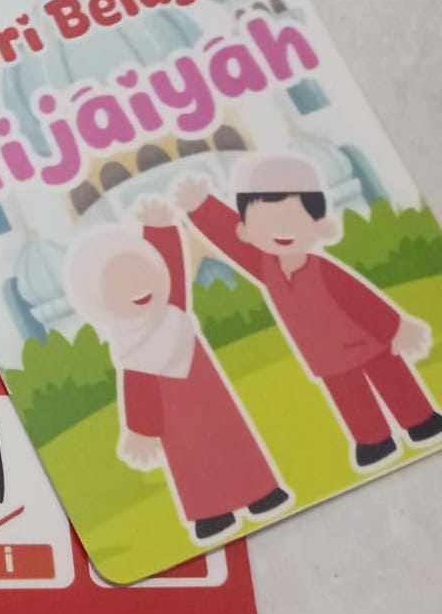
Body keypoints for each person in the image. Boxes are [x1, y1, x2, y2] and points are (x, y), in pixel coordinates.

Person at [175, 153, 441, 470]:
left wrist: (395, 328)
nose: (280, 231)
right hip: (327, 355)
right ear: (247, 230)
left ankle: (421, 421)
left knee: (392, 378)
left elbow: (362, 300)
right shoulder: (268, 266)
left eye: (292, 221)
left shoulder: (321, 268)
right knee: (350, 397)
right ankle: (373, 441)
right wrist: (202, 207)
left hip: (366, 341)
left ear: (320, 226)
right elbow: (234, 244)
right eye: (265, 224)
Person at [66, 196, 289, 544]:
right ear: (100, 300)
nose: (138, 286)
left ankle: (260, 492)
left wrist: (159, 229)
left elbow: (170, 268)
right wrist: (142, 430)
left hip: (211, 398)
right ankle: (210, 512)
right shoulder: (131, 345)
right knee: (189, 459)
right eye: (119, 285)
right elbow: (137, 387)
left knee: (233, 438)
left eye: (141, 272)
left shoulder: (172, 312)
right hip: (175, 419)